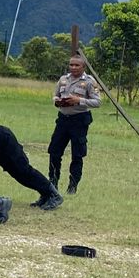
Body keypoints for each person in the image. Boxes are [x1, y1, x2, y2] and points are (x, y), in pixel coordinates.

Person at [48, 55, 101, 194]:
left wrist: (79, 100)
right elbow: (54, 95)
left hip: (79, 120)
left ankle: (72, 186)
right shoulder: (63, 79)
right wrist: (57, 101)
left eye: (77, 65)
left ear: (83, 67)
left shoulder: (89, 82)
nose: (73, 67)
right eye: (71, 65)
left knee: (77, 154)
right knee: (54, 151)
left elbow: (98, 102)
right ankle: (52, 184)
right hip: (63, 120)